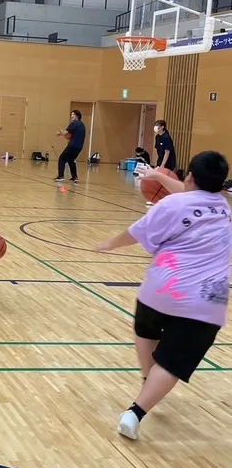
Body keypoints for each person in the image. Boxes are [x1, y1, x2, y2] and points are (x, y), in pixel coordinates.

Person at [96, 151, 231, 441]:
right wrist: (158, 176)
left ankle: (148, 380)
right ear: (220, 185)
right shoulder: (224, 206)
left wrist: (108, 244)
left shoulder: (171, 204)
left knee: (146, 329)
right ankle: (134, 414)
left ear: (189, 176)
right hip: (205, 301)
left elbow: (137, 232)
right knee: (172, 360)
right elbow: (193, 195)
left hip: (160, 289)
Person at [54, 109, 86, 183]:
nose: (72, 116)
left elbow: (65, 133)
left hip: (72, 145)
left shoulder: (74, 123)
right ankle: (75, 177)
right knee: (71, 160)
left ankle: (60, 176)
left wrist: (59, 132)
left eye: (73, 114)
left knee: (62, 158)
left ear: (78, 116)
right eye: (71, 114)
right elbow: (69, 136)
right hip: (79, 147)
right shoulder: (82, 124)